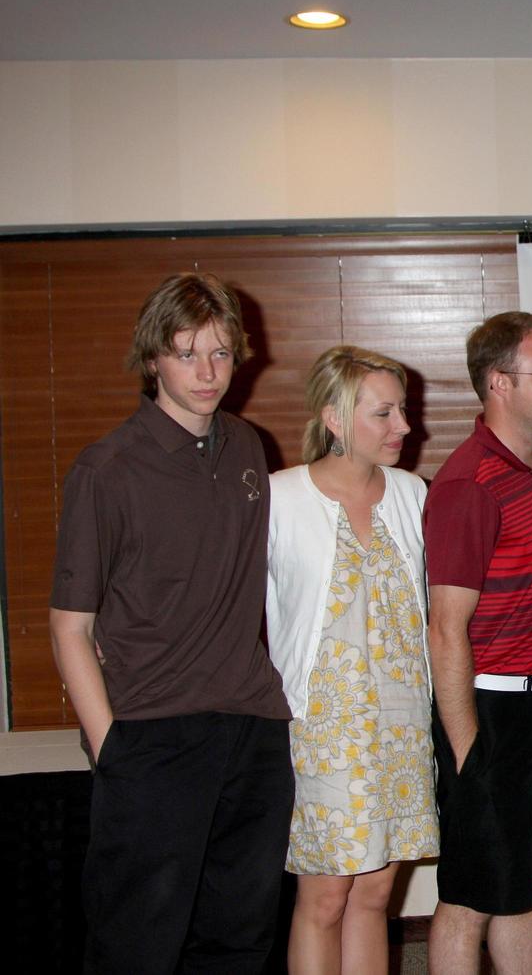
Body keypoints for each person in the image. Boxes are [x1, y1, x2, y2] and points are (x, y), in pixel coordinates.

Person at [50, 273, 293, 972]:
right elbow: (70, 627)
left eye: (220, 353)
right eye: (187, 353)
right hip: (152, 737)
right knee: (138, 947)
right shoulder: (107, 469)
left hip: (251, 731)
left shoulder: (249, 447)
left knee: (241, 941)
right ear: (153, 357)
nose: (207, 372)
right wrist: (113, 751)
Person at [424, 311, 532, 975]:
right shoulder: (470, 483)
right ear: (499, 382)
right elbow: (446, 626)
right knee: (471, 896)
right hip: (490, 711)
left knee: (530, 882)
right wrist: (469, 754)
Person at [267, 346, 437, 974]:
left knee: (374, 894)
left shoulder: (411, 493)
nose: (404, 427)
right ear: (335, 418)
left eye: (404, 411)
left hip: (401, 722)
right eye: (384, 413)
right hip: (324, 727)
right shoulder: (282, 498)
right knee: (325, 895)